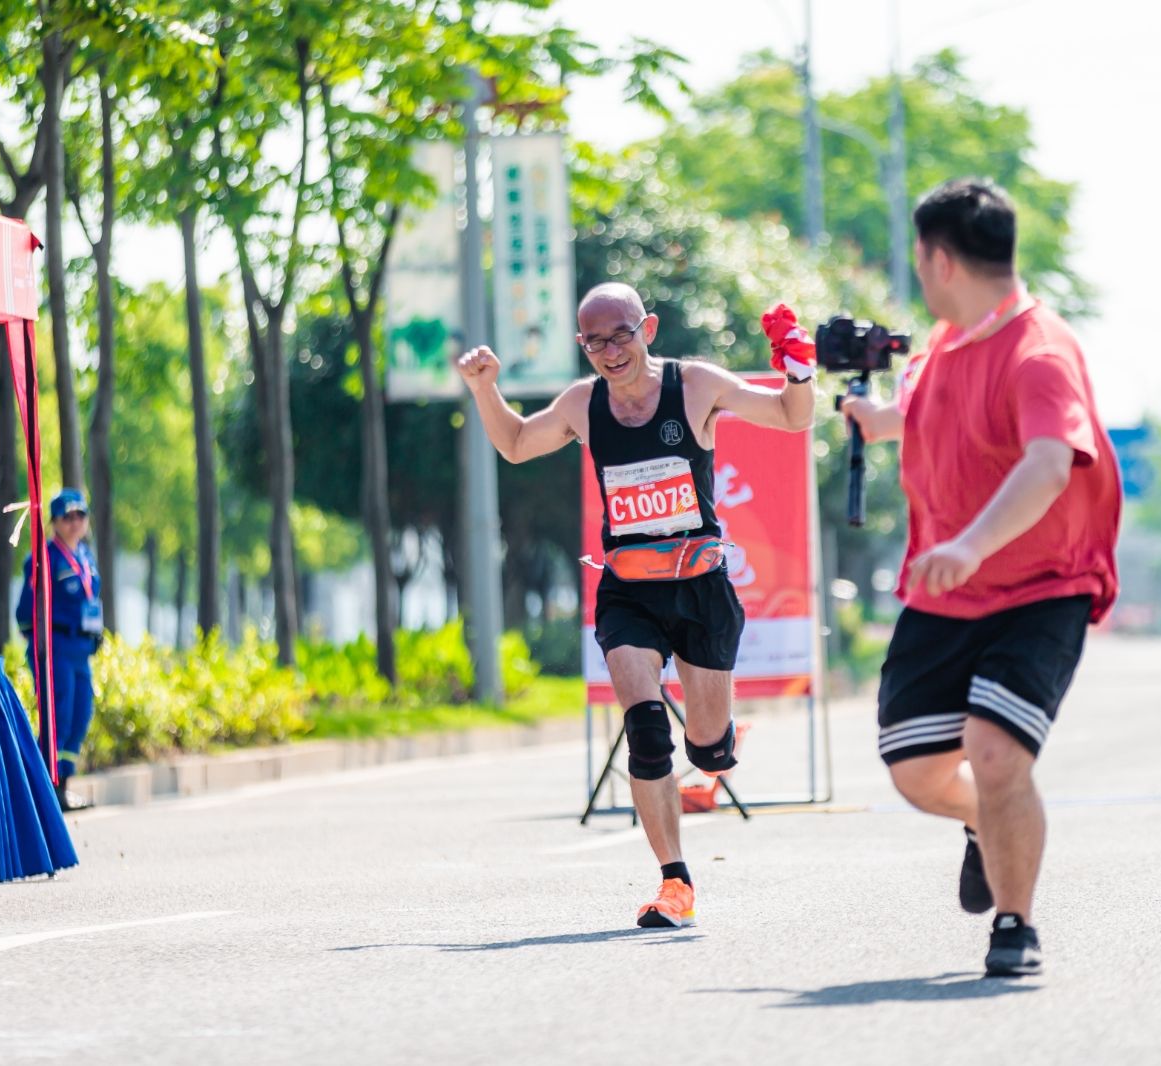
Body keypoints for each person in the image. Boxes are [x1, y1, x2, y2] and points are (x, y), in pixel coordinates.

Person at [456, 282, 816, 928]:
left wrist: (799, 370)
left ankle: (719, 742)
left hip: (700, 588)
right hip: (628, 589)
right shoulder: (582, 404)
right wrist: (485, 388)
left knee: (706, 751)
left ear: (647, 329)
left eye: (621, 335)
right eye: (595, 341)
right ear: (582, 345)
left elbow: (792, 417)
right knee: (647, 733)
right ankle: (675, 883)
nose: (611, 351)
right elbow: (516, 443)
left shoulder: (696, 386)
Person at [842, 178, 1120, 977]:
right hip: (946, 591)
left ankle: (1015, 923)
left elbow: (1048, 463)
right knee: (917, 774)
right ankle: (985, 823)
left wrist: (971, 543)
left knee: (996, 755)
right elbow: (932, 411)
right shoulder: (945, 342)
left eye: (918, 261)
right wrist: (880, 422)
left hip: (1042, 586)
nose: (919, 276)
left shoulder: (1040, 351)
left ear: (940, 260)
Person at [15, 487, 104, 812]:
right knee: (58, 717)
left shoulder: (85, 557)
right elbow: (25, 613)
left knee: (80, 715)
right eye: (67, 517)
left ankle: (63, 786)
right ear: (54, 522)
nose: (75, 522)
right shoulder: (43, 558)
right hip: (56, 648)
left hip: (80, 649)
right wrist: (41, 647)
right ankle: (46, 791)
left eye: (81, 515)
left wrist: (95, 633)